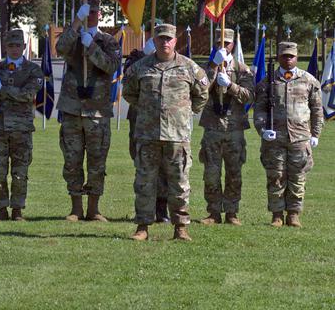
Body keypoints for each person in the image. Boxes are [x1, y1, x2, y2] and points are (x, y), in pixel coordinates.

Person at [123, 23, 209, 241]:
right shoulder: (141, 67)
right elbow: (129, 93)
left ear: (175, 41)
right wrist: (147, 110)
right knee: (144, 182)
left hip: (177, 137)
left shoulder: (189, 68)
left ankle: (180, 228)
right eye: (161, 38)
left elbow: (202, 94)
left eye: (169, 39)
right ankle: (142, 227)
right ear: (155, 40)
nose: (165, 42)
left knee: (179, 183)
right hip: (147, 135)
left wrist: (185, 113)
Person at [56, 0, 121, 222]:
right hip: (73, 108)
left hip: (97, 111)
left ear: (100, 15)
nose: (90, 15)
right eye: (86, 12)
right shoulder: (72, 36)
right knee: (72, 161)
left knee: (97, 161)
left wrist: (91, 45)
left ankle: (94, 209)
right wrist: (75, 24)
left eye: (93, 12)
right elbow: (60, 48)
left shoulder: (108, 41)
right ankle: (76, 209)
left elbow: (111, 66)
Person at [254, 41, 323, 228]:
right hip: (274, 138)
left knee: (298, 176)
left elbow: (317, 110)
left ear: (297, 57)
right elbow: (259, 110)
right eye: (284, 55)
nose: (288, 59)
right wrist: (262, 129)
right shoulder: (267, 82)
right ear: (278, 57)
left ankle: (293, 214)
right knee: (275, 176)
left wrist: (315, 133)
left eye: (291, 56)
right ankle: (277, 215)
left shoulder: (308, 80)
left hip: (300, 138)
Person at [0, 28, 43, 221]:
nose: (15, 49)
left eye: (18, 45)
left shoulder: (33, 70)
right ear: (5, 47)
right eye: (11, 45)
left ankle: (17, 210)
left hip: (21, 129)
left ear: (24, 47)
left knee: (20, 172)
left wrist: (3, 89)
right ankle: (1, 210)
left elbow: (28, 94)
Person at [199, 28, 254, 226]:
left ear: (233, 45)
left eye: (227, 43)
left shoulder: (242, 69)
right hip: (212, 128)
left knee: (234, 173)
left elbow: (249, 96)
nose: (222, 46)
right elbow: (200, 90)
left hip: (234, 128)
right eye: (219, 42)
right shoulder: (206, 67)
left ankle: (232, 212)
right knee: (211, 174)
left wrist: (231, 85)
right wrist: (214, 67)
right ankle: (213, 212)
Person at [124, 40, 169, 224]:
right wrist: (144, 56)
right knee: (143, 167)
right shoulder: (137, 59)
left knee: (165, 168)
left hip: (164, 121)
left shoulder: (169, 60)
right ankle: (143, 211)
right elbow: (127, 81)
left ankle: (161, 210)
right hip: (140, 121)